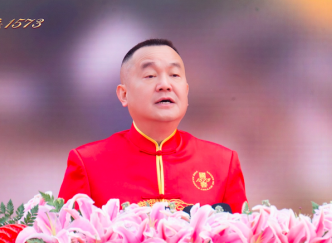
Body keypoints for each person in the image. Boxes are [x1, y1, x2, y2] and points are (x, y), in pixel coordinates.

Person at [58, 39, 247, 212]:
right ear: (124, 94)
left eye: (174, 75)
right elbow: (65, 236)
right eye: (150, 76)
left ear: (186, 91)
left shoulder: (223, 164)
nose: (165, 85)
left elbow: (243, 236)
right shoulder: (87, 164)